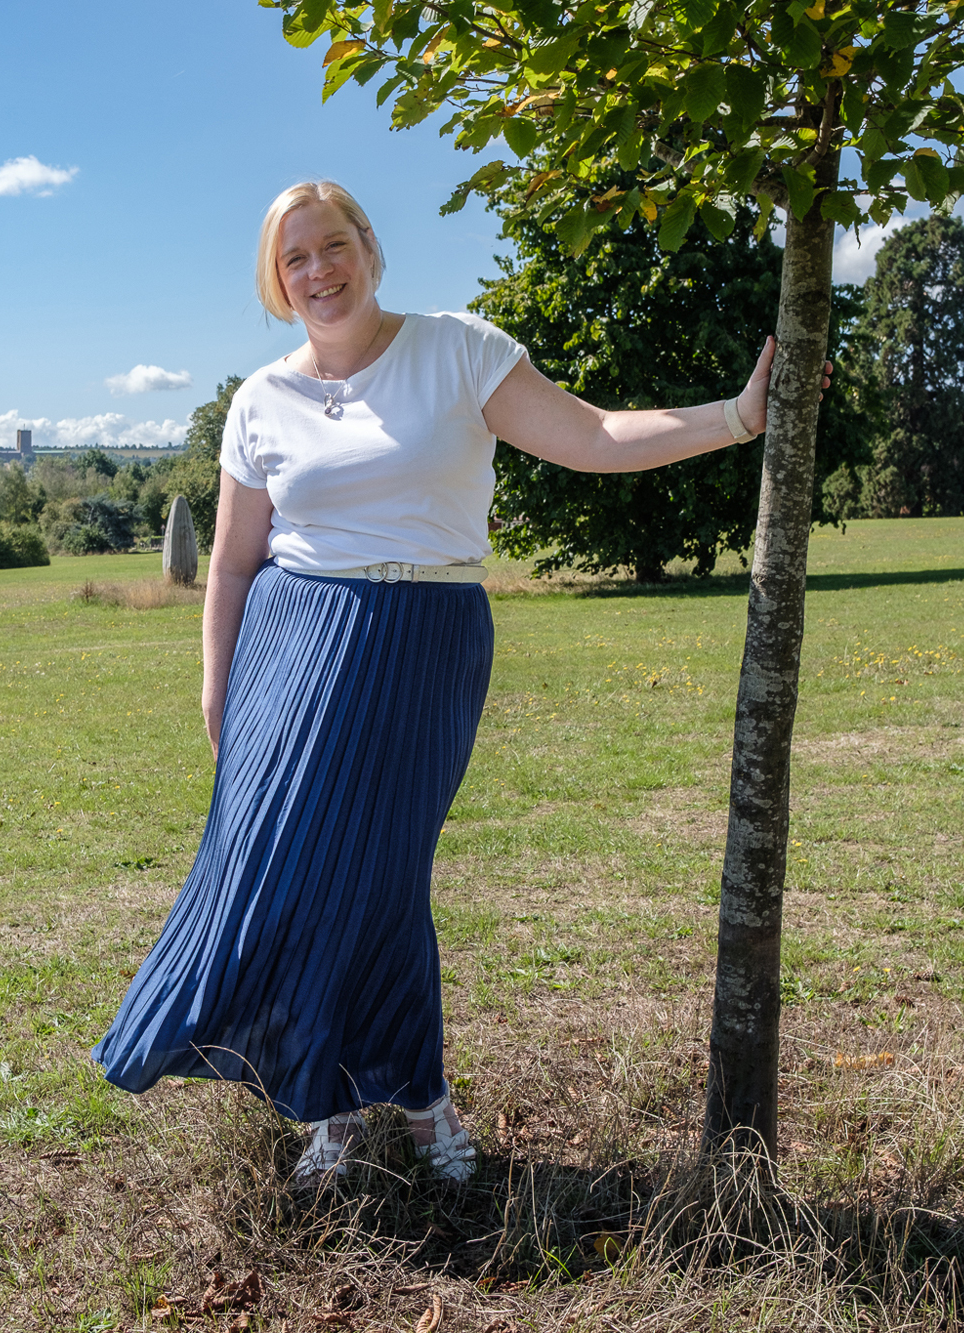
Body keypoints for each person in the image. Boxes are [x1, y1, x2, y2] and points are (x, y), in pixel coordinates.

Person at [92, 180, 827, 1187]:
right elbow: (228, 561)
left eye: (333, 245)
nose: (319, 271)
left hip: (423, 639)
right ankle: (339, 1110)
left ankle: (416, 1097)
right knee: (292, 878)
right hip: (289, 643)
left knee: (381, 877)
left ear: (370, 248)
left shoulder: (455, 350)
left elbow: (596, 438)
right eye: (295, 258)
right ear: (276, 280)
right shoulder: (258, 400)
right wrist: (215, 688)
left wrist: (738, 418)